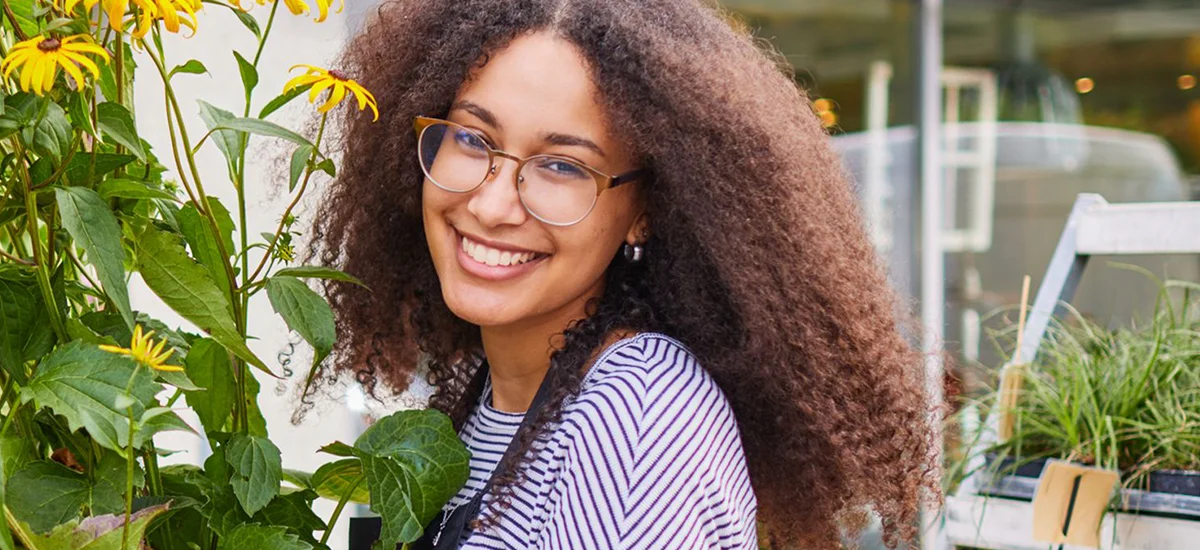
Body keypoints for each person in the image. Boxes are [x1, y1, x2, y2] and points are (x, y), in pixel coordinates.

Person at [305, 0, 939, 548]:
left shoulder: (635, 417)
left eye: (562, 167)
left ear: (644, 213)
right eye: (472, 139)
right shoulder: (488, 390)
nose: (492, 205)